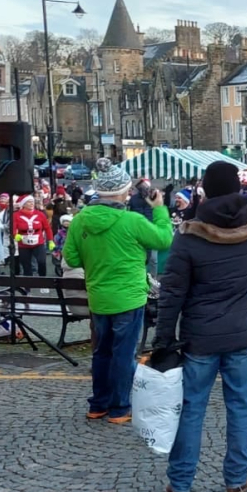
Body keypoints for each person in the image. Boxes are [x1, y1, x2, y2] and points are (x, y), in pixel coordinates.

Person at [155, 163, 247, 492]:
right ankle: (237, 479)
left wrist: (163, 340)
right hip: (244, 334)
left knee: (192, 408)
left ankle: (180, 483)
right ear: (238, 189)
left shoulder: (189, 236)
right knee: (240, 406)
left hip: (201, 337)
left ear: (205, 191)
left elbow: (172, 294)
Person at [64, 158, 173, 423]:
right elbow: (164, 239)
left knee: (102, 352)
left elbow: (72, 258)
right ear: (122, 192)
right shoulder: (131, 220)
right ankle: (120, 407)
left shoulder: (80, 221)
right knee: (124, 353)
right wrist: (159, 209)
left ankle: (98, 404)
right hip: (129, 296)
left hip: (99, 296)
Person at [12, 195, 51, 280]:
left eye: (32, 202)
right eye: (29, 202)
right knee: (26, 266)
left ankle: (43, 281)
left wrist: (51, 240)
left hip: (38, 243)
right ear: (23, 204)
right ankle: (28, 286)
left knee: (42, 262)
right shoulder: (16, 215)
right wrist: (15, 235)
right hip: (24, 244)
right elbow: (12, 228)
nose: (31, 204)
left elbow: (47, 228)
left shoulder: (40, 214)